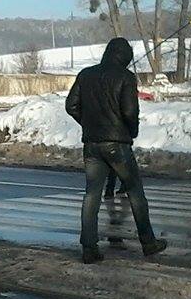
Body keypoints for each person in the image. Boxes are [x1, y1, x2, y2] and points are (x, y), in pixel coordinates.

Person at [66, 37, 167, 263]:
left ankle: (89, 247)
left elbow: (70, 105)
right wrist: (132, 130)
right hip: (118, 144)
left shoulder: (85, 75)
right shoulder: (126, 78)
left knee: (92, 194)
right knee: (134, 191)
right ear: (124, 58)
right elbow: (130, 111)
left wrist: (88, 123)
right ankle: (148, 243)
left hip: (92, 144)